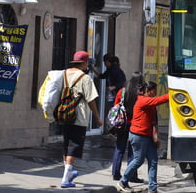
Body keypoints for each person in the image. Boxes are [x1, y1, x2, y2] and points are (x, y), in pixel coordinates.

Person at [117, 79, 169, 193]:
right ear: (148, 91)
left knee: (153, 160)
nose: (155, 93)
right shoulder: (143, 100)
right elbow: (159, 100)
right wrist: (174, 94)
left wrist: (156, 135)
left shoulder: (148, 100)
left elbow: (153, 119)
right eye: (154, 91)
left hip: (147, 135)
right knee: (138, 160)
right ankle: (123, 181)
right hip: (139, 135)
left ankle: (152, 189)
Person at [60, 51, 103, 188]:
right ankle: (66, 179)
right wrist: (97, 118)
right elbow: (91, 100)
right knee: (74, 146)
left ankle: (68, 173)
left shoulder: (63, 74)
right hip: (79, 116)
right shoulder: (85, 78)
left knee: (67, 145)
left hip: (64, 114)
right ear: (84, 63)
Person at [111, 73, 144, 183]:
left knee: (119, 148)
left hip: (122, 123)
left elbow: (115, 106)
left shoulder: (122, 91)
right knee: (133, 151)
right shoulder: (140, 93)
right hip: (135, 124)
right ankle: (132, 175)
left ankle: (116, 173)